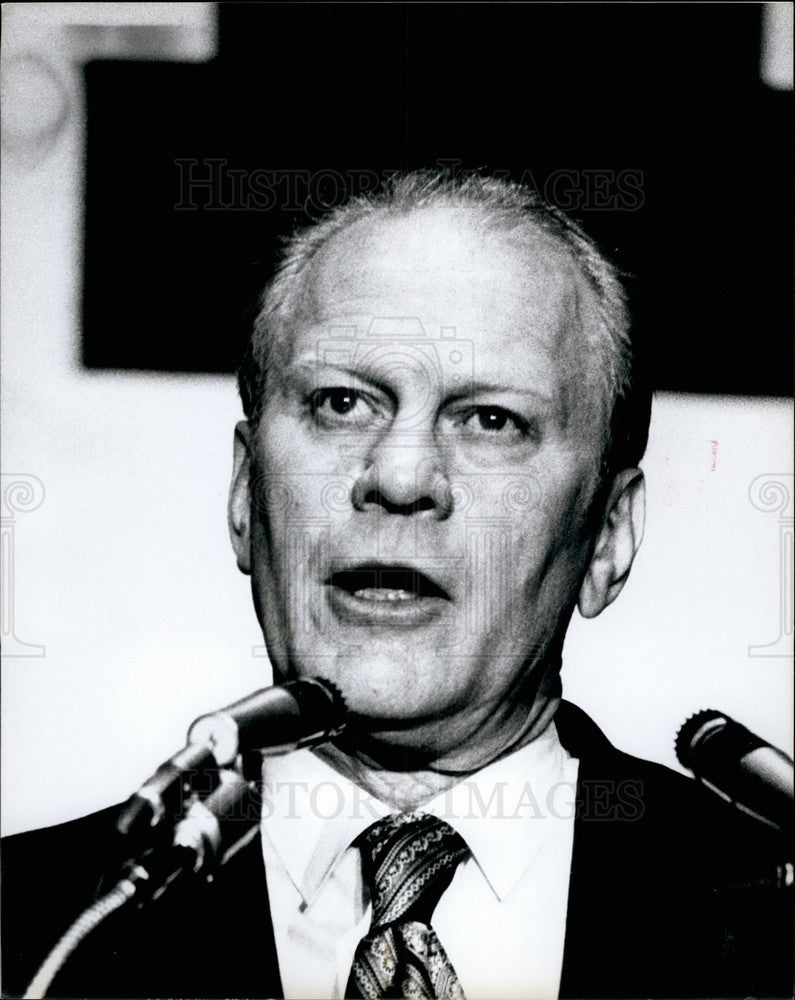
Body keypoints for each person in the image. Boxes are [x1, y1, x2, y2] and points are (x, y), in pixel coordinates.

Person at [2, 171, 790, 999]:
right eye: (342, 404)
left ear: (607, 537)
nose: (401, 474)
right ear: (243, 493)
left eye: (491, 420)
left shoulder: (768, 920)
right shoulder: (40, 937)